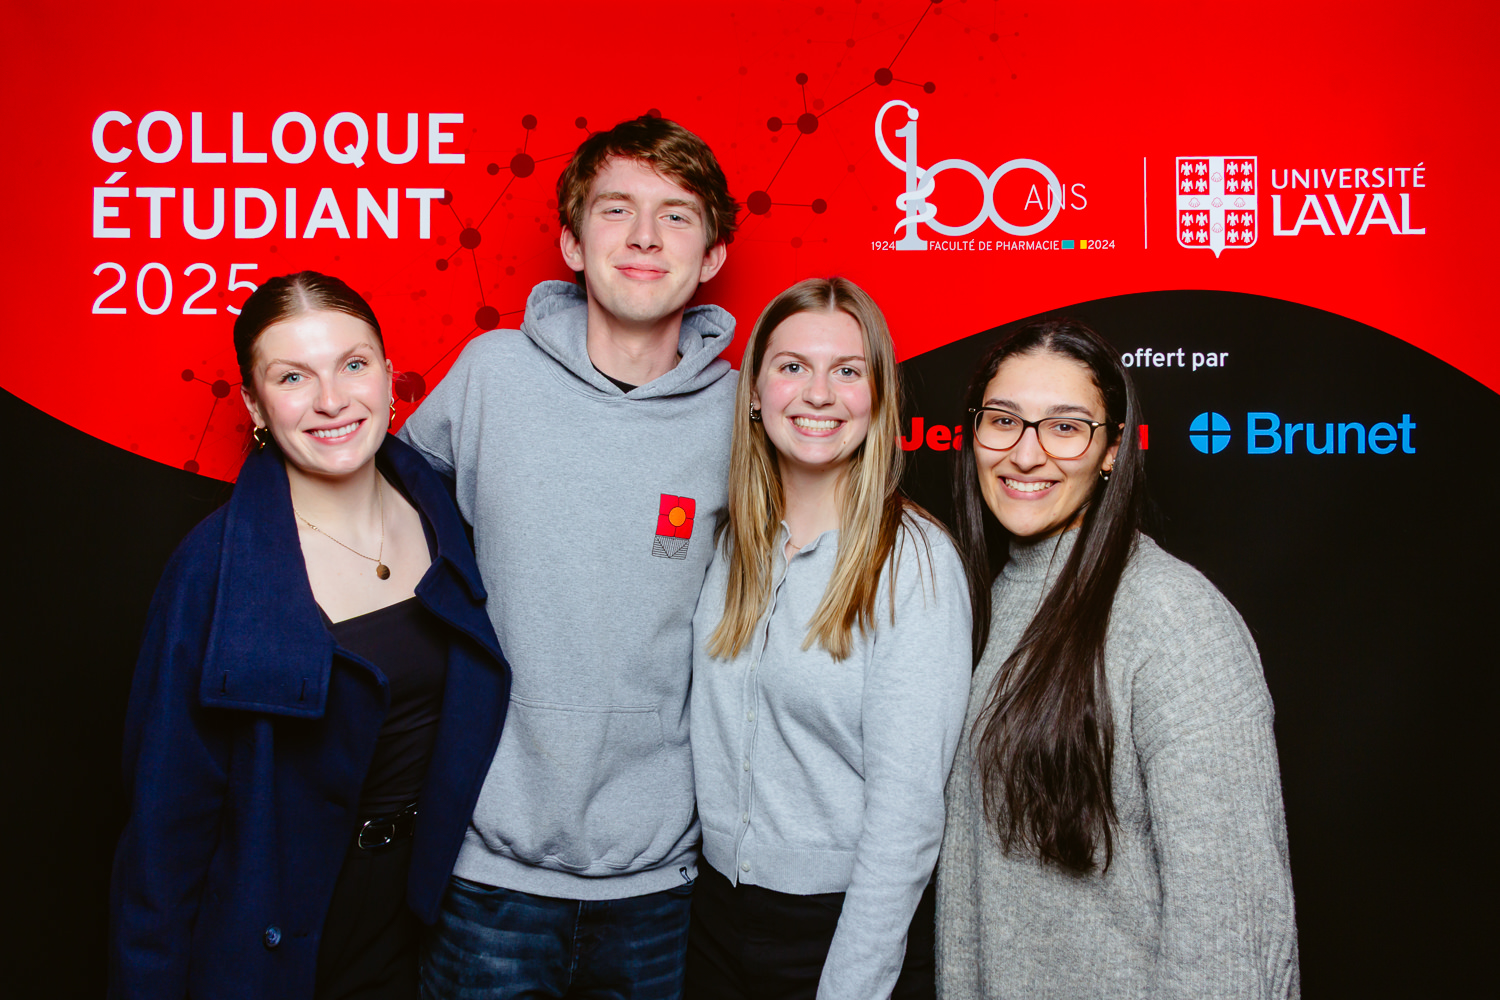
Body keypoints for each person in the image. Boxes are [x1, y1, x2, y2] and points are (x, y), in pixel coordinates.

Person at [397, 115, 739, 999]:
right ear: (571, 243)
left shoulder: (743, 417)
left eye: (675, 215)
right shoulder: (491, 374)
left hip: (662, 883)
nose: (644, 236)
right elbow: (380, 510)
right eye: (616, 209)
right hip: (487, 874)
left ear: (712, 255)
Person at [108, 272, 512, 1000]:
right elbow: (163, 834)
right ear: (255, 405)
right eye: (293, 377)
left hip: (426, 924)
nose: (331, 400)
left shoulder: (445, 517)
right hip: (276, 937)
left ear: (389, 376)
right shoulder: (212, 567)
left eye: (353, 364)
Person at [936, 319, 1300, 999]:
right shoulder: (984, 603)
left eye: (1065, 427)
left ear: (1111, 451)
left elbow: (1235, 936)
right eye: (1003, 421)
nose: (1026, 454)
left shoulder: (1175, 620)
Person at [687, 277, 972, 1000]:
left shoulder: (914, 561)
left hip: (840, 928)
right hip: (711, 918)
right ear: (755, 392)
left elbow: (907, 817)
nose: (819, 394)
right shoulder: (732, 545)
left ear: (877, 398)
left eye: (847, 371)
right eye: (792, 367)